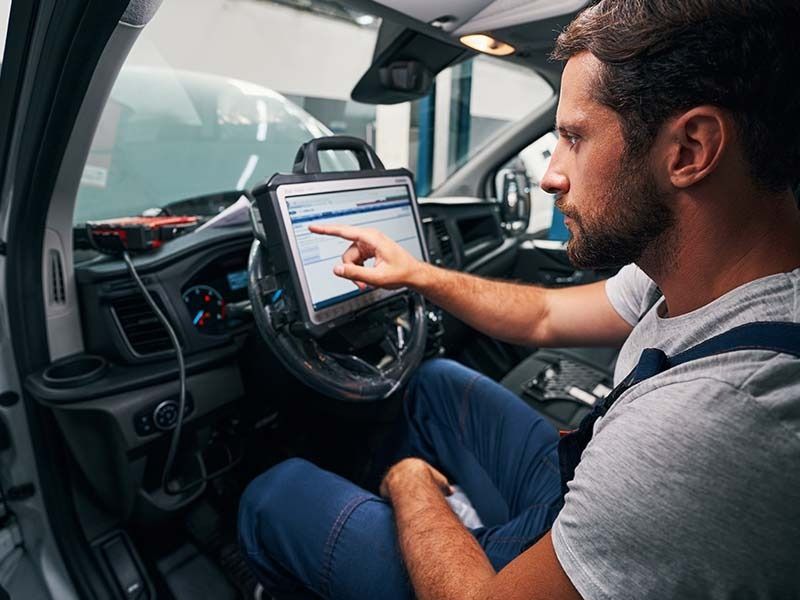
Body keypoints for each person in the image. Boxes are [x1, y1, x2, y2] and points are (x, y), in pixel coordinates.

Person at [238, 1, 800, 598]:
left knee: (274, 495)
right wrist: (417, 273)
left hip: (564, 543)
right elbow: (543, 313)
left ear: (690, 150)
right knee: (433, 383)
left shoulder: (712, 421)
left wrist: (410, 487)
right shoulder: (709, 270)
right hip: (590, 484)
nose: (551, 175)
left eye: (574, 138)